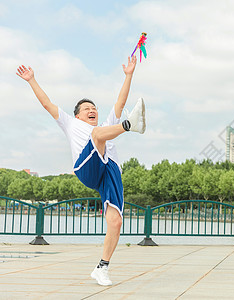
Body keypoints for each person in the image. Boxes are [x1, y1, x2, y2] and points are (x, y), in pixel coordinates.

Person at [16, 56, 145, 286]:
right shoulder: (70, 123)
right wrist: (31, 80)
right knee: (97, 135)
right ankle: (129, 125)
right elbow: (47, 104)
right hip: (86, 167)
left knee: (115, 222)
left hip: (110, 170)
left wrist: (128, 75)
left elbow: (120, 102)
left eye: (94, 108)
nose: (91, 110)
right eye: (87, 109)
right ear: (78, 115)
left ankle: (102, 268)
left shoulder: (104, 125)